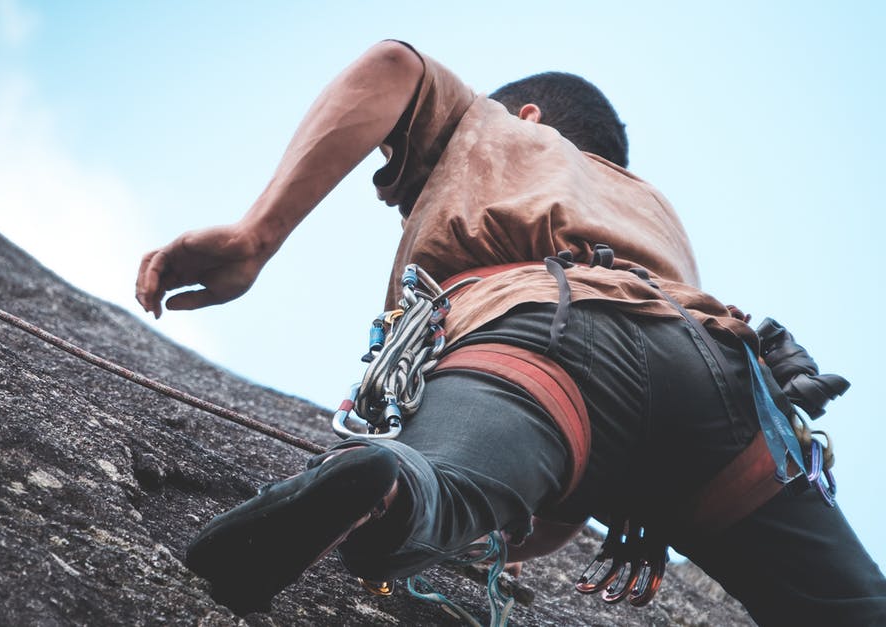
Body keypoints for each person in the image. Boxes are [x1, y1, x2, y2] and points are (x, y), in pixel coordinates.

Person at [134, 40, 886, 624]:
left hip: (539, 334)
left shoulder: (500, 132)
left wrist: (254, 237)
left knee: (432, 488)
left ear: (528, 116)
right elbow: (562, 486)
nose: (399, 197)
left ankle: (392, 492)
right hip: (717, 379)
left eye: (404, 180)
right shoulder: (651, 211)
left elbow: (395, 66)